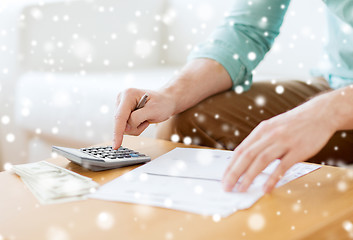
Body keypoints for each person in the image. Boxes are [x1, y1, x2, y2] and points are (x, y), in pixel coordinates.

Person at [113, 0, 353, 193]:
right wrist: (170, 95)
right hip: (338, 81)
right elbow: (246, 29)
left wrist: (329, 111)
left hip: (339, 102)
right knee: (191, 120)